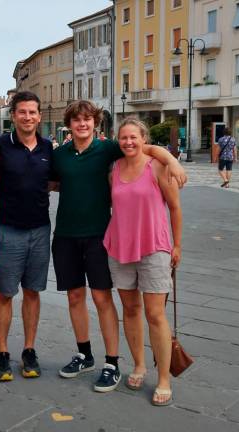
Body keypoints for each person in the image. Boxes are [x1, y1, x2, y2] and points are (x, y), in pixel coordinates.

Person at [51, 100, 186, 393]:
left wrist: (172, 160)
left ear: (96, 123)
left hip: (102, 237)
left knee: (105, 300)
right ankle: (86, 355)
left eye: (87, 119)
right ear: (69, 125)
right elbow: (47, 181)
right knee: (78, 298)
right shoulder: (59, 155)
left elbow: (143, 148)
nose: (82, 124)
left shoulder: (109, 149)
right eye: (77, 120)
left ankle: (113, 362)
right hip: (68, 236)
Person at [104, 117, 181, 406]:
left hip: (154, 248)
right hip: (120, 246)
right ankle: (138, 364)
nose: (128, 142)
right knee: (130, 309)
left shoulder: (157, 166)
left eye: (133, 137)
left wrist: (178, 245)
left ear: (143, 139)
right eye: (123, 138)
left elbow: (174, 207)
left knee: (155, 314)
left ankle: (164, 378)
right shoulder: (114, 168)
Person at [0, 91, 53, 382]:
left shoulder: (48, 147)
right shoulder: (0, 146)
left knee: (33, 291)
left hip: (40, 230)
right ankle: (2, 352)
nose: (28, 117)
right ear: (13, 115)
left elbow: (55, 181)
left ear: (39, 116)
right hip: (9, 230)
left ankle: (29, 349)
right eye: (22, 112)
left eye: (33, 112)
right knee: (5, 292)